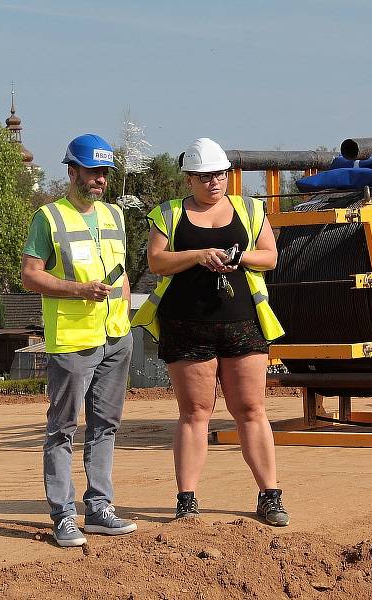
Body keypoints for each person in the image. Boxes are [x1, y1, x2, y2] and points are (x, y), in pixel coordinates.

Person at [131, 138, 289, 526]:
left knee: (251, 410)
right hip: (186, 326)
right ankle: (187, 500)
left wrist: (239, 257)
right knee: (194, 413)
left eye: (219, 175)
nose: (213, 182)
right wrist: (198, 256)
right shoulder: (168, 214)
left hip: (243, 324)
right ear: (189, 179)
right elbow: (157, 260)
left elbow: (269, 256)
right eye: (204, 177)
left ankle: (270, 495)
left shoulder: (250, 210)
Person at [21, 133, 136, 547]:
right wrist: (78, 291)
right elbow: (30, 275)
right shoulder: (48, 217)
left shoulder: (115, 215)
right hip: (72, 341)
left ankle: (100, 508)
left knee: (106, 426)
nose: (100, 179)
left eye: (104, 172)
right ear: (73, 171)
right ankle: (64, 515)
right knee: (63, 429)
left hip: (115, 337)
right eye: (92, 171)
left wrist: (125, 314)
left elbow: (121, 271)